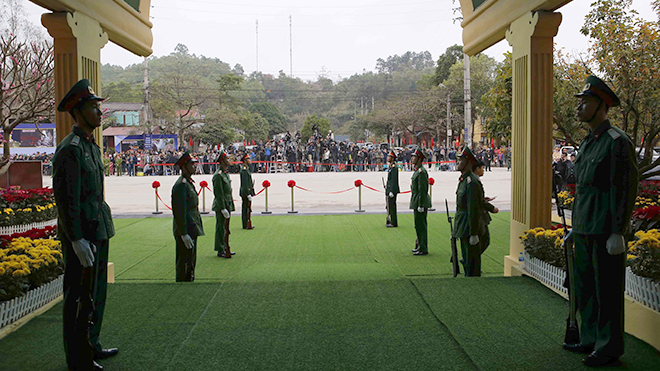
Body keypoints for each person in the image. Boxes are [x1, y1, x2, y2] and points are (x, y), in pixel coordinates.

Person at [563, 76, 638, 367]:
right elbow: (584, 190)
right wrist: (574, 227)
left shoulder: (616, 142)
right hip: (584, 227)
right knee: (585, 288)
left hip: (605, 229)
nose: (579, 107)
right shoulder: (587, 143)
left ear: (602, 105)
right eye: (580, 102)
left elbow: (625, 188)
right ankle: (591, 338)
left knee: (606, 289)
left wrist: (618, 231)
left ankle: (609, 347)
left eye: (585, 102)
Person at [52, 79, 117, 371]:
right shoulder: (70, 149)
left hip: (98, 230)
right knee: (78, 297)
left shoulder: (91, 147)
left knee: (96, 293)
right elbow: (67, 201)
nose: (99, 113)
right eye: (93, 107)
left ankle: (91, 345)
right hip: (82, 236)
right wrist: (76, 239)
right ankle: (78, 359)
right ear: (78, 113)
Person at [171, 151, 204, 282]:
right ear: (184, 166)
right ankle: (182, 285)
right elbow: (179, 212)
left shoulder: (188, 182)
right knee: (184, 261)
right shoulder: (181, 185)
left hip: (192, 225)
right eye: (191, 164)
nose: (194, 166)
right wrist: (183, 233)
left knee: (190, 260)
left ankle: (188, 280)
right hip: (186, 227)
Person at [454, 146, 486, 276]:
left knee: (472, 265)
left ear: (468, 163)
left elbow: (473, 209)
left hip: (468, 227)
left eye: (461, 160)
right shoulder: (463, 180)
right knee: (467, 261)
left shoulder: (471, 182)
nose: (458, 163)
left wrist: (473, 233)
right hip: (463, 226)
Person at [212, 151, 236, 258]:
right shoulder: (218, 176)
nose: (229, 160)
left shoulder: (225, 173)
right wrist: (222, 208)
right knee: (221, 227)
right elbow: (219, 193)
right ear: (222, 161)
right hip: (221, 205)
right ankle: (220, 249)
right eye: (227, 159)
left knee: (226, 228)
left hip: (227, 203)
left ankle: (225, 246)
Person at [473, 161, 499, 254]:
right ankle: (470, 260)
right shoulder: (474, 181)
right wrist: (492, 208)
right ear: (477, 169)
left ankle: (470, 259)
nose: (483, 170)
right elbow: (480, 201)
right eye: (482, 168)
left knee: (483, 241)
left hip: (479, 214)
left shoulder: (475, 179)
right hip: (479, 215)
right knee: (484, 240)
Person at [410, 147, 432, 255]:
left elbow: (423, 190)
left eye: (414, 156)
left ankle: (423, 248)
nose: (412, 158)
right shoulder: (417, 170)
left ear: (419, 158)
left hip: (420, 201)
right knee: (417, 225)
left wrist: (421, 204)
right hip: (417, 200)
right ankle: (419, 245)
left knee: (421, 226)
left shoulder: (422, 172)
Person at [239, 153, 255, 229]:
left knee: (247, 208)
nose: (250, 160)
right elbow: (245, 183)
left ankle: (247, 223)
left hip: (246, 191)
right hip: (245, 192)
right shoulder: (244, 170)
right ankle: (245, 224)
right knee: (246, 208)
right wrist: (248, 193)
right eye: (248, 159)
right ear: (245, 160)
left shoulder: (246, 168)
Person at [385, 150, 400, 227]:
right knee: (389, 206)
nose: (387, 158)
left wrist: (391, 191)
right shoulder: (391, 166)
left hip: (392, 190)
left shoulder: (394, 167)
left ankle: (394, 222)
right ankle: (391, 220)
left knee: (392, 206)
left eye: (389, 157)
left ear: (392, 158)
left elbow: (394, 180)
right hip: (389, 189)